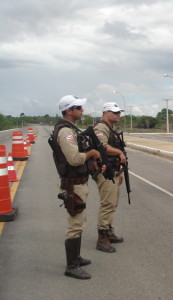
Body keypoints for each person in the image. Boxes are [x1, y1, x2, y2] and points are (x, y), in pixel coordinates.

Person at [51, 95, 104, 280]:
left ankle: (77, 257)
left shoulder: (71, 129)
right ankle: (71, 266)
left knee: (80, 222)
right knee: (75, 225)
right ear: (68, 110)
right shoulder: (65, 131)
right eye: (79, 107)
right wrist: (92, 153)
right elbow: (74, 159)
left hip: (79, 183)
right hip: (73, 186)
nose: (82, 110)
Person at [93, 102, 126, 253]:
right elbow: (102, 147)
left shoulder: (110, 128)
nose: (118, 114)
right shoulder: (100, 128)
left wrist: (119, 172)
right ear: (106, 112)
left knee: (112, 203)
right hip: (105, 172)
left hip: (114, 171)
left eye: (119, 112)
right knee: (108, 204)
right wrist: (119, 153)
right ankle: (102, 237)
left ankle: (109, 231)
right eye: (114, 112)